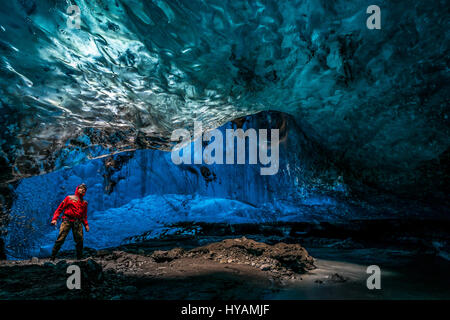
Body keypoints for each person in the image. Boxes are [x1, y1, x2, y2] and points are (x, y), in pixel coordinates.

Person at [50, 183, 89, 260]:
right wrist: (54, 219)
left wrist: (86, 225)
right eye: (81, 188)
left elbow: (84, 215)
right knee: (60, 239)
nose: (82, 190)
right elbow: (59, 209)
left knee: (80, 240)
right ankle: (52, 257)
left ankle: (79, 258)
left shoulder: (84, 203)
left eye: (84, 190)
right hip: (67, 221)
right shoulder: (69, 198)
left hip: (77, 222)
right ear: (77, 189)